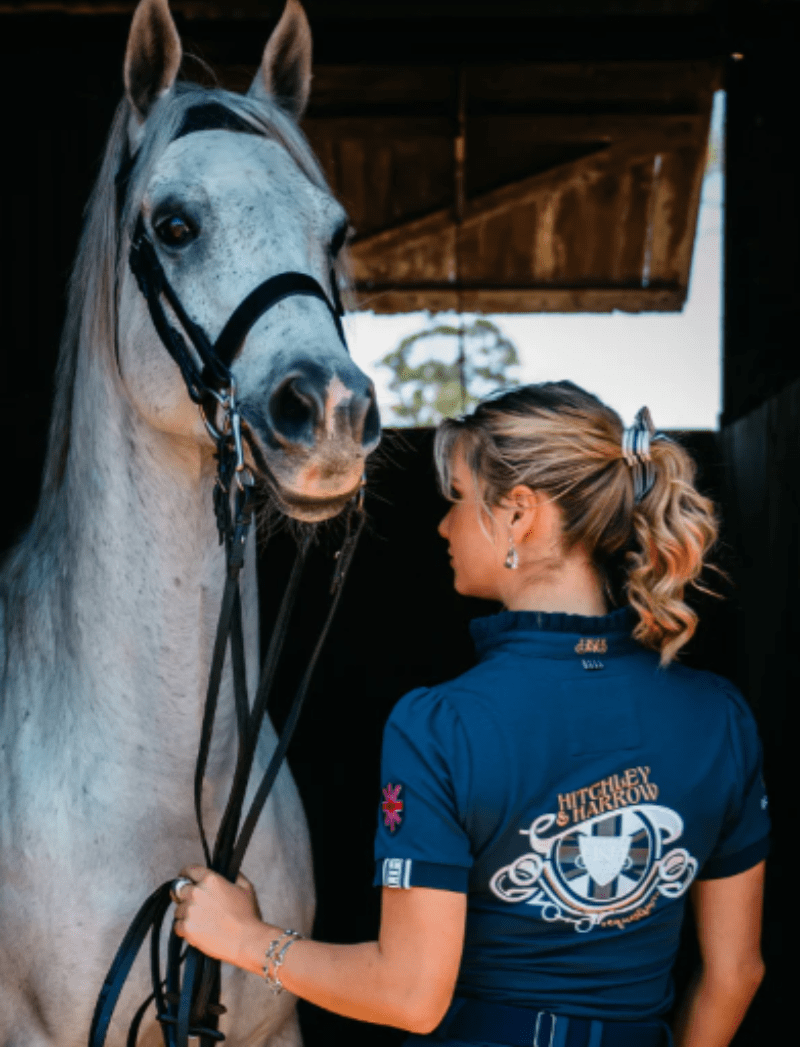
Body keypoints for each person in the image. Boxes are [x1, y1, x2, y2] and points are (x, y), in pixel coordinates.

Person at [173, 382, 769, 1047]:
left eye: (456, 498)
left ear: (519, 515)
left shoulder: (443, 724)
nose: (443, 525)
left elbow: (410, 994)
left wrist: (249, 940)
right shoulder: (720, 716)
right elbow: (736, 971)